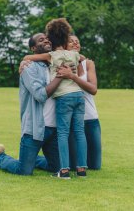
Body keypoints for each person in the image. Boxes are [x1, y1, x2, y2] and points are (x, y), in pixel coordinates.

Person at [0, 33, 71, 175]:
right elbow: (40, 95)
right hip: (35, 128)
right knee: (24, 171)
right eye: (41, 40)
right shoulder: (29, 68)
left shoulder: (55, 65)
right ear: (33, 48)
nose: (46, 40)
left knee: (57, 167)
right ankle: (0, 158)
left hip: (54, 129)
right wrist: (60, 76)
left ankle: (31, 159)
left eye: (47, 38)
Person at [23, 18, 88, 179]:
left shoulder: (50, 56)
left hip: (64, 98)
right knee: (80, 132)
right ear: (66, 37)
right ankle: (82, 169)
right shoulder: (75, 54)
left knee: (63, 134)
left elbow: (29, 57)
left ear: (51, 38)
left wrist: (23, 61)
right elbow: (80, 74)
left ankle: (64, 171)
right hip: (79, 96)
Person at [64, 35, 102, 170]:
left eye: (77, 41)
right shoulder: (61, 64)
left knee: (95, 166)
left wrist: (73, 77)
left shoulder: (88, 64)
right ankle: (39, 160)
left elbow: (93, 89)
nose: (75, 43)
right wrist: (25, 60)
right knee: (74, 166)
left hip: (91, 119)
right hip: (73, 121)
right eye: (71, 41)